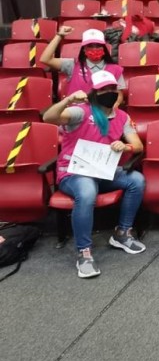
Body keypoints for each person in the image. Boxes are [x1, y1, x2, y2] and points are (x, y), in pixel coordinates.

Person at [43, 70, 146, 278]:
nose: (109, 92)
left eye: (112, 88)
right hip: (73, 173)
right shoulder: (80, 112)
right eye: (103, 90)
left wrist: (125, 147)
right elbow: (48, 117)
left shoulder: (122, 116)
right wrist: (68, 100)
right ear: (94, 93)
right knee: (87, 191)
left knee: (136, 180)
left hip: (102, 171)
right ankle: (84, 252)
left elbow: (138, 145)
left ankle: (122, 233)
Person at [41, 28, 125, 100]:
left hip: (103, 111)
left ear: (104, 48)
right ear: (84, 49)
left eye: (98, 45)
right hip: (77, 110)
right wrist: (59, 35)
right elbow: (45, 59)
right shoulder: (72, 65)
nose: (94, 49)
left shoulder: (115, 69)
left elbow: (119, 96)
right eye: (90, 46)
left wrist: (108, 111)